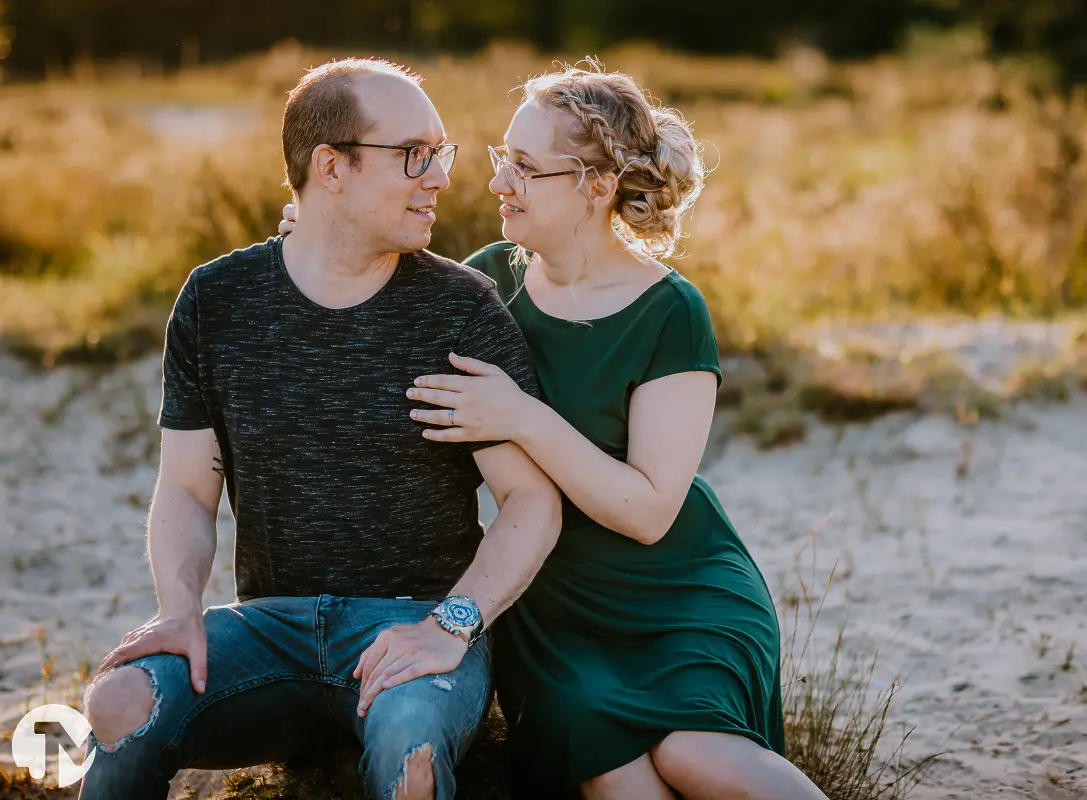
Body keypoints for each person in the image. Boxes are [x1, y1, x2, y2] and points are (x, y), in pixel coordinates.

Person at [281, 61, 828, 800]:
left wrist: (523, 417)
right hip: (551, 608)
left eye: (526, 168)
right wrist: (318, 229)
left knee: (699, 758)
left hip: (679, 591)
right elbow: (364, 277)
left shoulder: (671, 311)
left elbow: (648, 511)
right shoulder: (487, 284)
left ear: (596, 187)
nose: (498, 182)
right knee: (620, 782)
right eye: (502, 158)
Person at [77, 58, 562, 800]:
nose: (438, 176)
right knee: (115, 705)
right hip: (267, 629)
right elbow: (184, 488)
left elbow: (531, 502)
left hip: (415, 632)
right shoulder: (218, 300)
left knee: (410, 753)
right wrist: (178, 608)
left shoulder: (460, 309)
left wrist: (451, 627)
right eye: (412, 155)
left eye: (441, 152)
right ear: (330, 167)